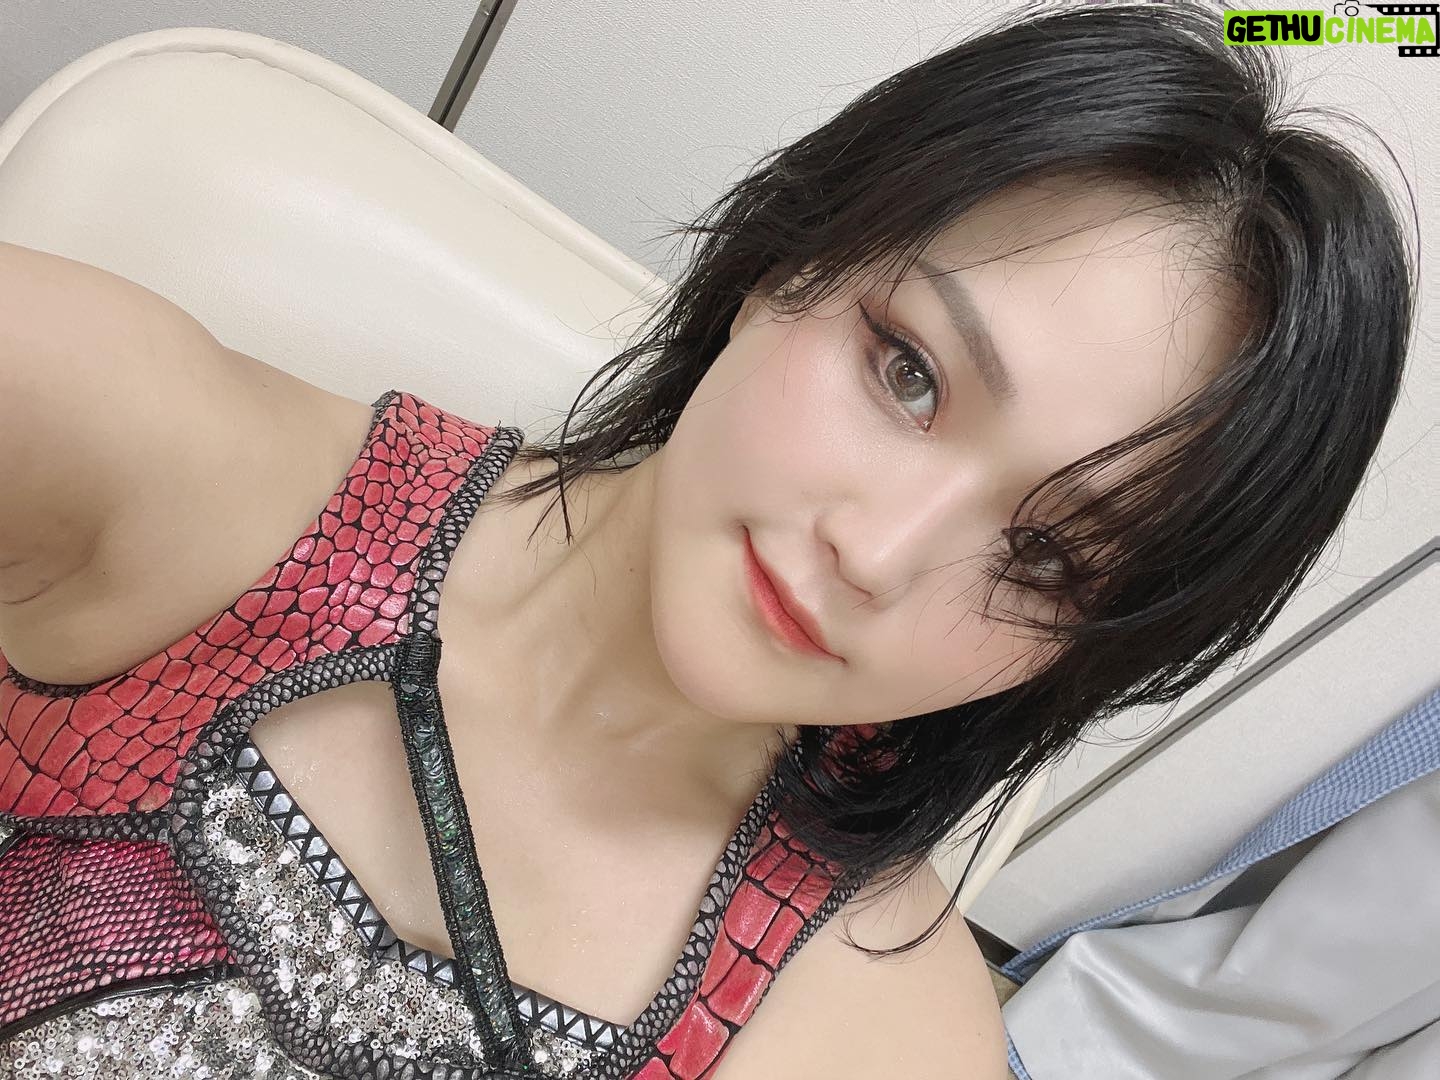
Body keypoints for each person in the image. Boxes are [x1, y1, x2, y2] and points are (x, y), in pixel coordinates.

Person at [0, 2, 1415, 1078]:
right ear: (794, 253)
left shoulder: (885, 1037)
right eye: (910, 374)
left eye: (1048, 560)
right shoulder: (157, 462)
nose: (881, 553)